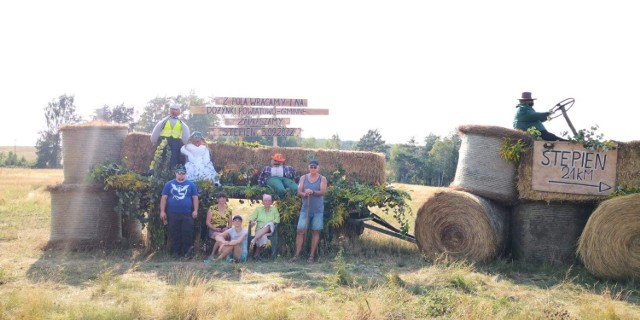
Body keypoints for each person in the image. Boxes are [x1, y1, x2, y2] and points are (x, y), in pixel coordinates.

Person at [290, 160, 327, 263]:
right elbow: (299, 191)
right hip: (305, 209)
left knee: (315, 231)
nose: (313, 168)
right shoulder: (303, 178)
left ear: (318, 168)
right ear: (308, 167)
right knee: (300, 231)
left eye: (315, 167)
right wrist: (304, 193)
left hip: (318, 210)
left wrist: (313, 192)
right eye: (311, 167)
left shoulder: (322, 179)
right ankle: (297, 255)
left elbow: (323, 191)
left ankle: (311, 256)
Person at [160, 164, 199, 259]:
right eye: (179, 173)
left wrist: (195, 210)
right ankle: (175, 253)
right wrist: (162, 211)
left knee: (187, 233)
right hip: (172, 213)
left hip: (187, 213)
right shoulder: (169, 184)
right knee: (174, 232)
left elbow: (195, 198)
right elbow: (164, 198)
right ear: (175, 173)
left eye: (183, 173)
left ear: (185, 174)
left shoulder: (191, 184)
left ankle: (187, 253)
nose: (181, 175)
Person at [150, 103, 191, 169]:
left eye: (176, 110)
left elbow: (185, 132)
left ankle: (172, 172)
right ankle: (159, 171)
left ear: (179, 111)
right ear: (169, 110)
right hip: (163, 141)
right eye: (172, 109)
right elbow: (157, 129)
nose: (174, 111)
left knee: (174, 157)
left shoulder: (180, 123)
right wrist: (154, 139)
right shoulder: (164, 121)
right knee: (161, 156)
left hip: (175, 142)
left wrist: (186, 143)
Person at [248, 194, 280, 260]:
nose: (267, 202)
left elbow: (277, 219)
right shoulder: (258, 209)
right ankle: (257, 255)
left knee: (269, 224)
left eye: (269, 201)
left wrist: (272, 222)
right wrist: (252, 221)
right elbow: (252, 217)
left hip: (270, 230)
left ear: (271, 202)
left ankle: (254, 240)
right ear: (262, 202)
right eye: (265, 200)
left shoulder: (274, 210)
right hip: (259, 230)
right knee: (263, 236)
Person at [205, 192, 232, 260]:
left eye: (224, 197)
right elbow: (207, 222)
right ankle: (226, 256)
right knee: (219, 236)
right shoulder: (212, 208)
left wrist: (227, 228)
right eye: (220, 198)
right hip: (213, 229)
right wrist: (215, 229)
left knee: (220, 236)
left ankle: (212, 255)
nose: (222, 199)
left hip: (224, 229)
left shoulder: (229, 209)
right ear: (217, 200)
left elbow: (230, 224)